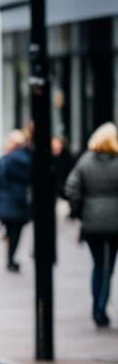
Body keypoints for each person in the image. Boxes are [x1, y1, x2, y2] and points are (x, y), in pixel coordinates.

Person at [64, 122, 118, 327]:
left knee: (97, 265)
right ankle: (101, 308)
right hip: (114, 224)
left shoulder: (86, 161)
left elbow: (71, 188)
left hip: (92, 222)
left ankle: (97, 305)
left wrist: (79, 211)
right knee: (108, 266)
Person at [0, 130, 32, 273]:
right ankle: (11, 259)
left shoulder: (8, 159)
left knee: (12, 232)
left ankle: (10, 258)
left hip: (10, 200)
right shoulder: (21, 158)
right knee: (15, 232)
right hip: (17, 200)